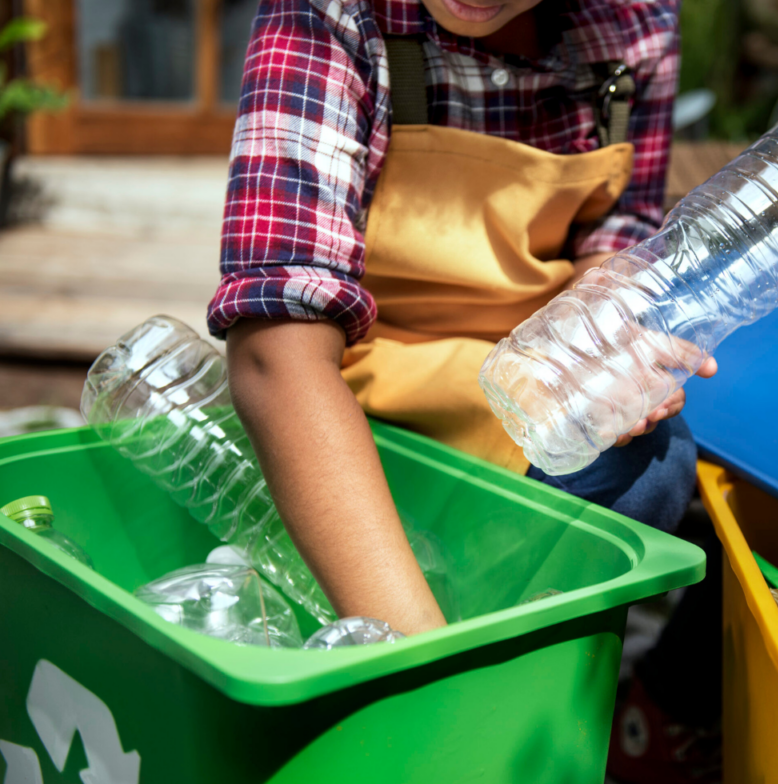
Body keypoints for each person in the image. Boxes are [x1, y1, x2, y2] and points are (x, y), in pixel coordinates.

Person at [209, 1, 719, 780]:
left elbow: (618, 231)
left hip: (516, 384)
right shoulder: (332, 15)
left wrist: (609, 328)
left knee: (653, 462)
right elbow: (276, 354)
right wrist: (423, 674)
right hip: (352, 397)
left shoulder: (634, 24)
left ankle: (535, 714)